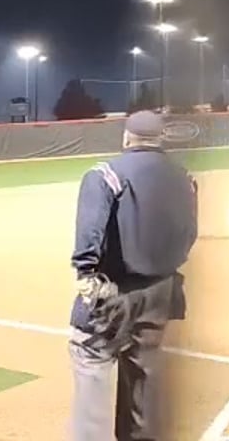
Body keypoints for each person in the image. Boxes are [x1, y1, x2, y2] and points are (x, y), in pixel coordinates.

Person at [67, 110, 198, 441]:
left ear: (127, 137)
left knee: (91, 359)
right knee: (144, 374)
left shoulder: (105, 174)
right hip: (161, 292)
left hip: (113, 291)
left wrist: (86, 273)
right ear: (160, 139)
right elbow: (190, 234)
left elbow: (89, 232)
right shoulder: (183, 176)